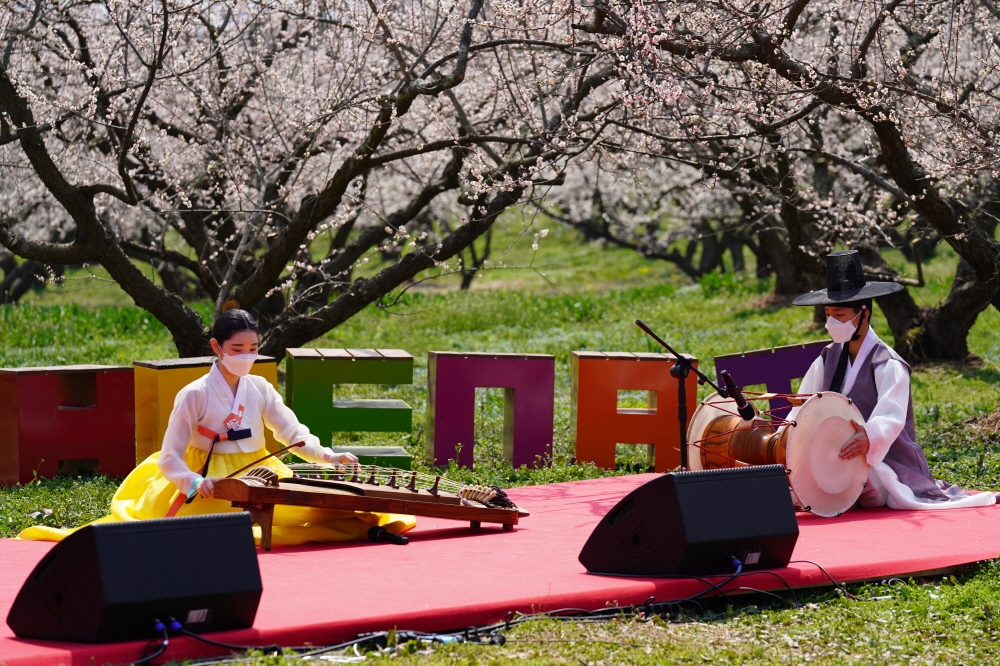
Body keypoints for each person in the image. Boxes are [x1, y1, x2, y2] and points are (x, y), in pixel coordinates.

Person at [18, 309, 415, 544]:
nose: (246, 356)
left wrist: (328, 456)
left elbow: (292, 433)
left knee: (319, 513)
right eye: (237, 349)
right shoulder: (193, 394)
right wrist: (191, 482)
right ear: (216, 347)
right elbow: (170, 455)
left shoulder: (259, 386)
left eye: (253, 349)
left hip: (260, 471)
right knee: (218, 532)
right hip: (206, 477)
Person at [791, 250, 994, 510]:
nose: (831, 322)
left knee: (867, 488)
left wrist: (869, 436)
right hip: (834, 453)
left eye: (839, 315)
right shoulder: (827, 358)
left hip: (884, 460)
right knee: (800, 485)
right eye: (828, 314)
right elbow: (802, 406)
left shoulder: (888, 364)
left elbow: (891, 417)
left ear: (863, 314)